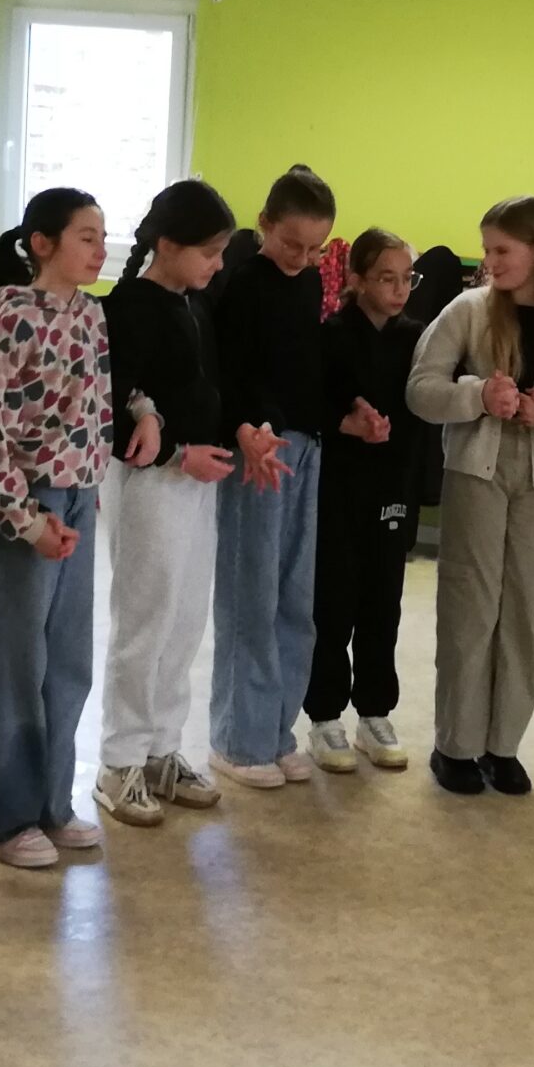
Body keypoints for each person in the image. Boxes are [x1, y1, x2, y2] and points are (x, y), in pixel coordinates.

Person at [407, 195, 534, 796]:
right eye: (487, 249)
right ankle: (456, 745)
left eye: (502, 250)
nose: (490, 262)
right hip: (475, 475)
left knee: (527, 610)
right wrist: (476, 396)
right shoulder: (468, 310)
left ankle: (503, 747)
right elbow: (421, 389)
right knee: (469, 607)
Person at [0, 187, 112, 868]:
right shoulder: (12, 314)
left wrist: (92, 483)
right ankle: (7, 817)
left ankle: (55, 802)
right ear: (42, 243)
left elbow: (97, 406)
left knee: (68, 659)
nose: (100, 250)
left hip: (80, 496)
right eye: (87, 236)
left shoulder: (92, 314)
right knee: (16, 662)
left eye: (103, 237)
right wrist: (25, 521)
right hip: (27, 503)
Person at [96, 179, 238, 827]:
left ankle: (160, 749)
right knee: (145, 621)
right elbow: (116, 405)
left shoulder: (193, 304)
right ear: (169, 244)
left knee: (184, 621)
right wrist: (179, 453)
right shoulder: (129, 304)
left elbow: (201, 389)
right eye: (209, 252)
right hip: (151, 483)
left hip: (196, 483)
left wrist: (238, 436)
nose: (218, 265)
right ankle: (119, 761)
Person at [206, 166, 337, 790]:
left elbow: (303, 365)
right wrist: (246, 429)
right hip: (257, 452)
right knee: (250, 597)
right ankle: (238, 739)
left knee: (294, 599)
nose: (302, 258)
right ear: (263, 225)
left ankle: (276, 730)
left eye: (315, 248)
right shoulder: (240, 283)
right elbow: (228, 374)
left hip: (304, 447)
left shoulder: (308, 282)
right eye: (291, 243)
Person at [305, 228, 427, 774]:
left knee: (384, 602)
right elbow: (313, 404)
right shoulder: (331, 334)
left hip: (392, 487)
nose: (399, 290)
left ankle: (375, 711)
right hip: (339, 488)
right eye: (386, 278)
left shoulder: (417, 339)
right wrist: (346, 422)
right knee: (334, 603)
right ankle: (325, 715)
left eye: (407, 279)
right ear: (356, 280)